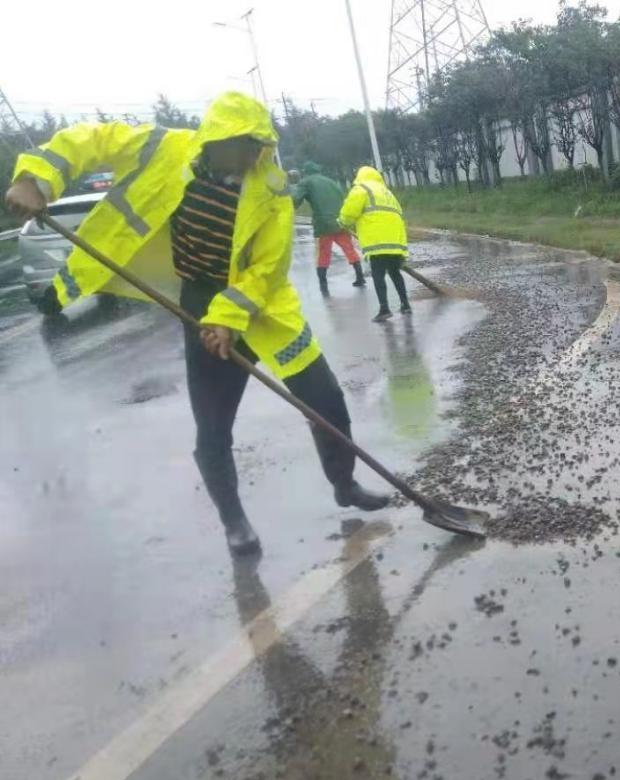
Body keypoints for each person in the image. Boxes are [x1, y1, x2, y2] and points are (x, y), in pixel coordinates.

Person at [4, 91, 391, 557]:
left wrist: (229, 317)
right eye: (245, 146)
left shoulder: (270, 189)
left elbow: (268, 268)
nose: (253, 156)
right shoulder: (162, 147)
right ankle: (234, 521)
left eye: (259, 146)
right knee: (213, 424)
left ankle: (345, 484)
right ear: (216, 139)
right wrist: (35, 180)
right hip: (200, 301)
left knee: (325, 399)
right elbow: (89, 140)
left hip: (267, 308)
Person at [339, 166, 410, 323]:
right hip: (396, 239)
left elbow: (349, 212)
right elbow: (399, 212)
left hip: (377, 240)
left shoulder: (361, 189)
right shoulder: (387, 192)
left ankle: (384, 309)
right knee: (395, 272)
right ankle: (405, 305)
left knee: (378, 274)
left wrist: (342, 222)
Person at [291, 160, 366, 295]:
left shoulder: (306, 182)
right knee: (349, 248)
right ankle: (360, 276)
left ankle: (323, 283)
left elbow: (295, 200)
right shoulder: (330, 181)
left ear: (305, 172)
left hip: (323, 224)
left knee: (323, 253)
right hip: (340, 221)